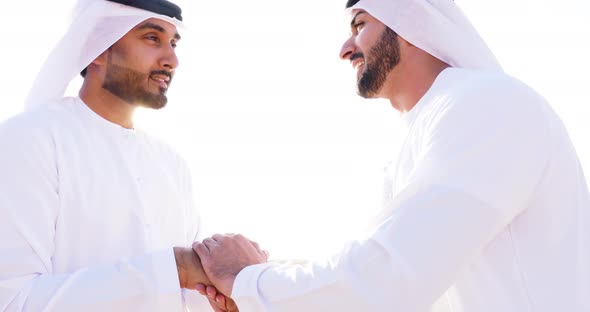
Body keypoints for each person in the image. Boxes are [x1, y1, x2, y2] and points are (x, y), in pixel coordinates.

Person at [193, 0, 590, 311]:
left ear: (412, 26)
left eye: (360, 24)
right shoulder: (427, 130)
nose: (345, 49)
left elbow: (388, 280)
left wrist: (248, 281)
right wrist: (259, 295)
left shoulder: (488, 104)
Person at [0, 0, 242, 310]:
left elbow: (184, 299)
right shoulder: (29, 140)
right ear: (97, 48)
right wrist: (174, 269)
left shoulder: (171, 164)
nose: (171, 60)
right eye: (152, 38)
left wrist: (221, 298)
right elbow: (12, 299)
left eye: (173, 43)